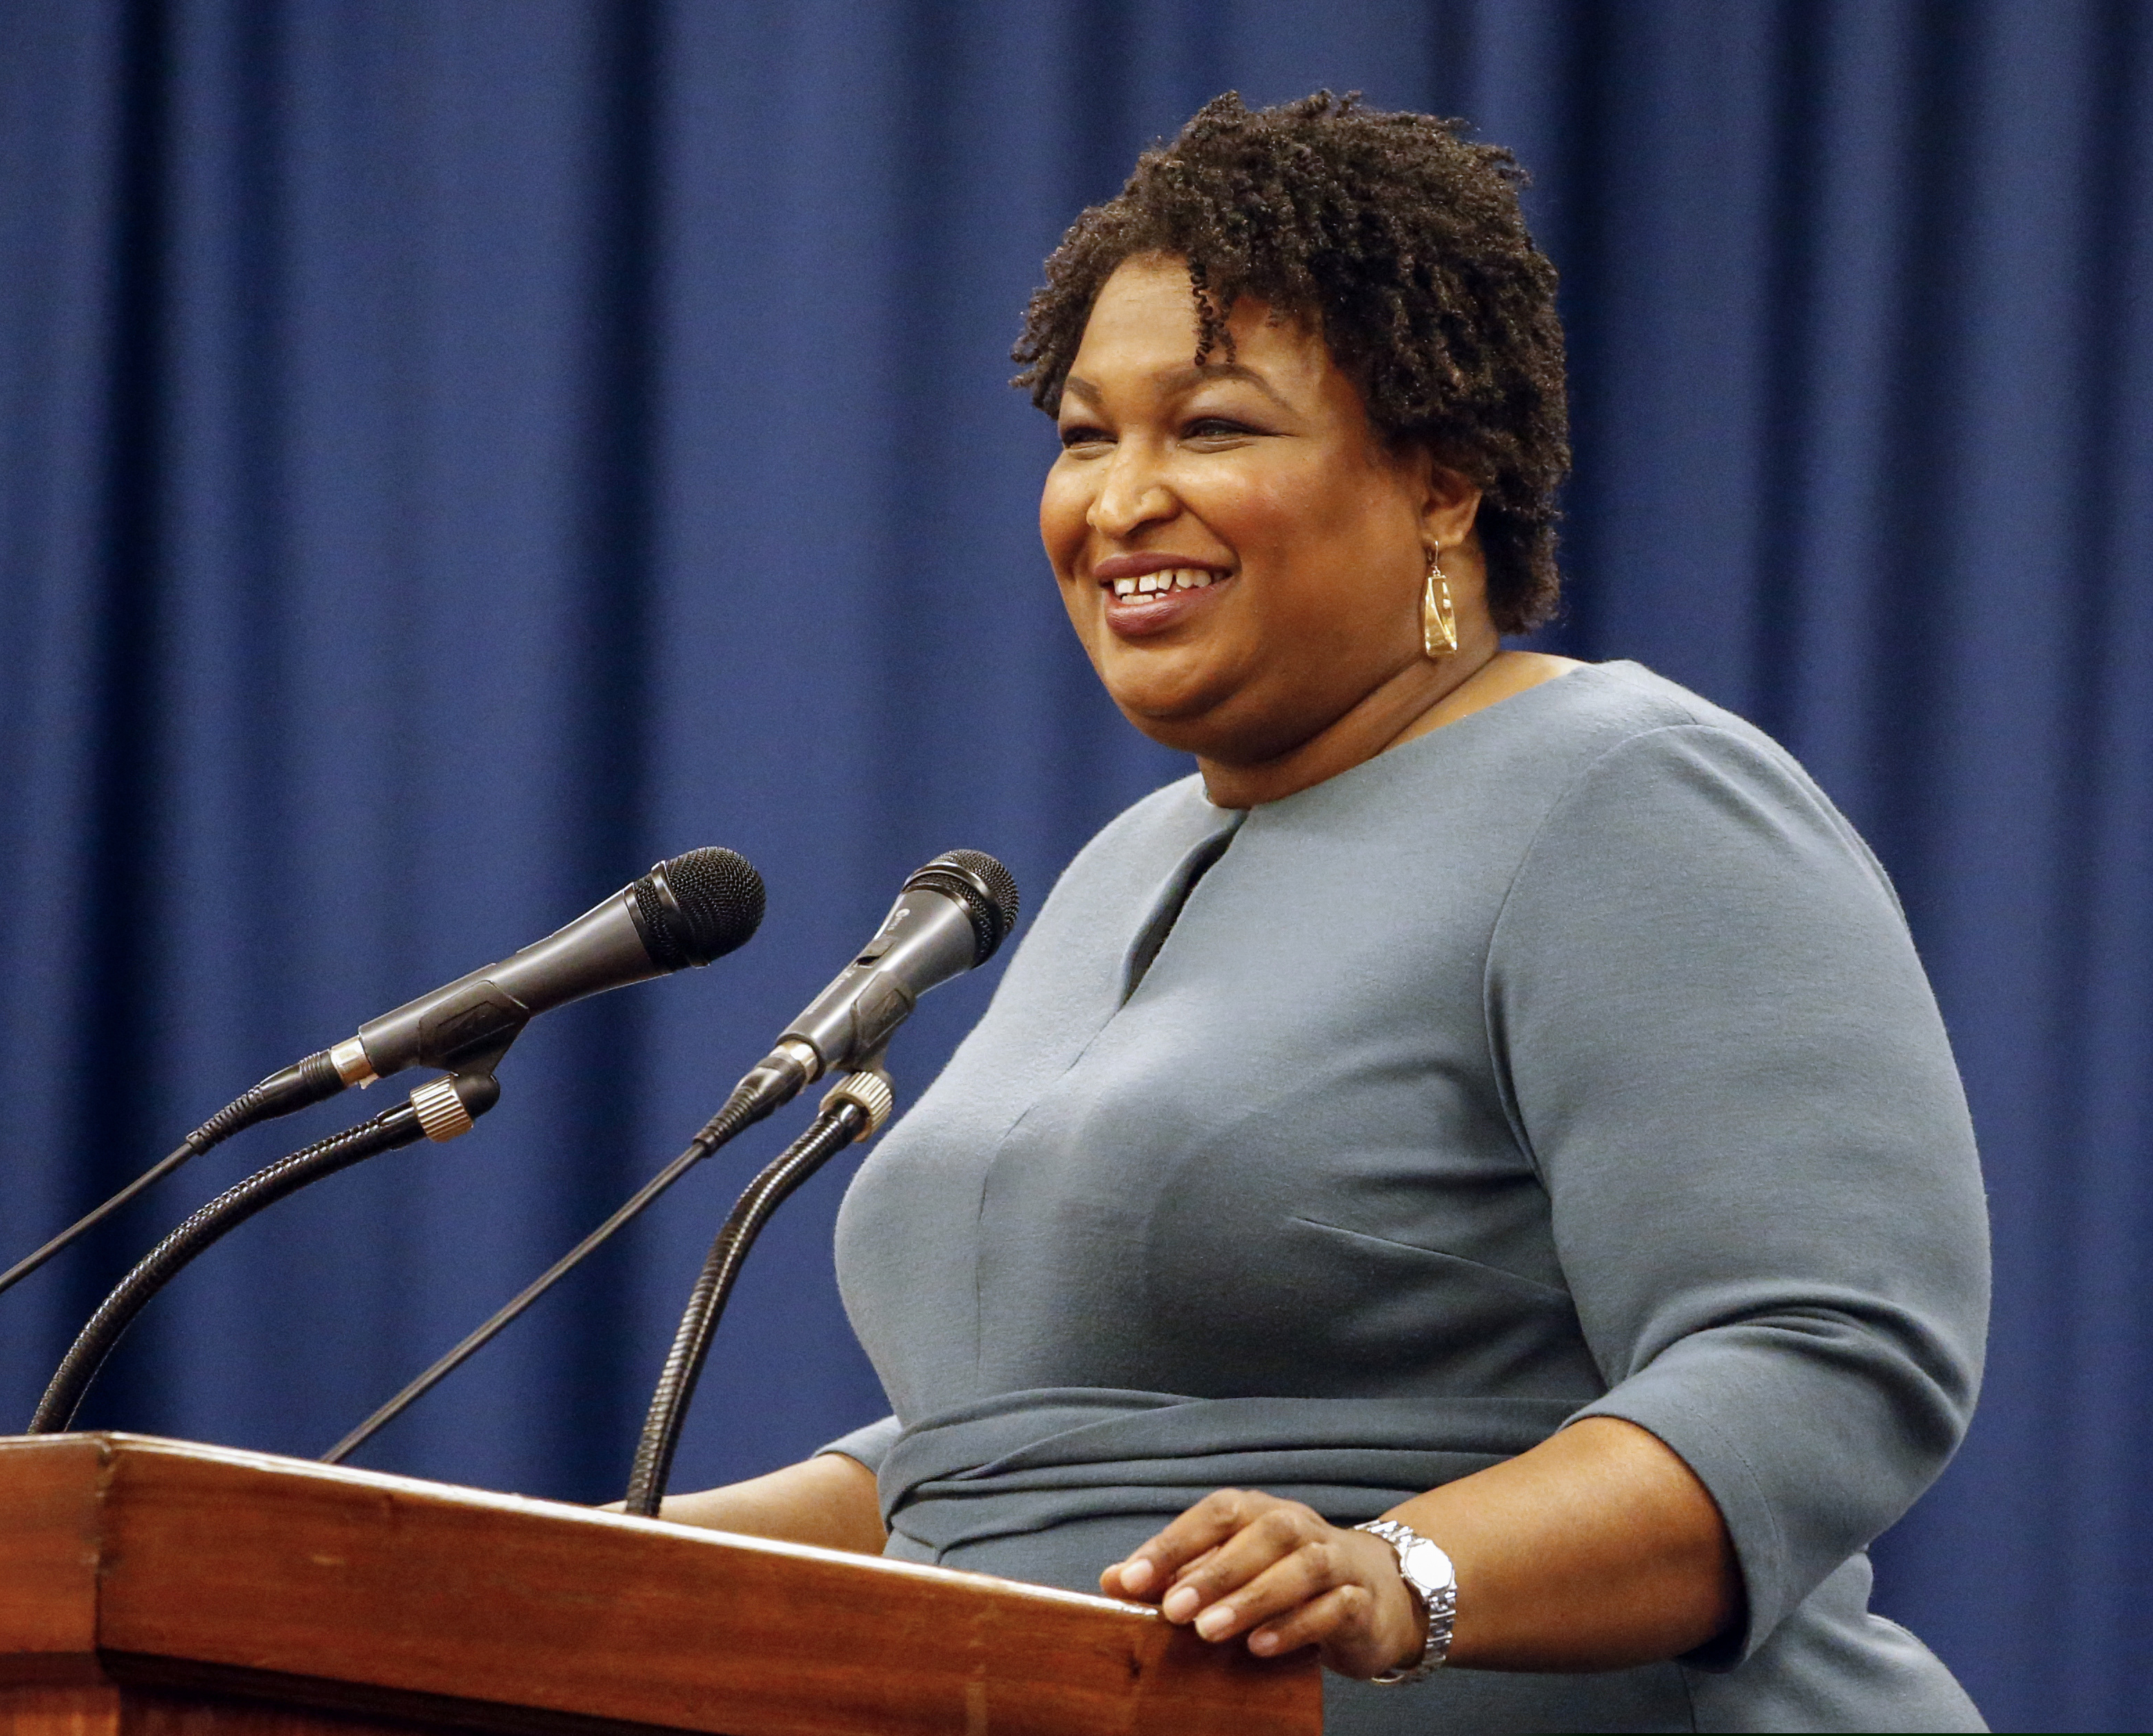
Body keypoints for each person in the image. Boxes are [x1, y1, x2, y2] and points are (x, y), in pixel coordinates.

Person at [651, 92, 1989, 1733]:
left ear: (1442, 483)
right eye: (1085, 438)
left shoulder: (1627, 793)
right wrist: (581, 1562)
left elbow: (1822, 1357)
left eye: (1209, 428)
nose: (1119, 501)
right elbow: (1002, 1473)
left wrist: (1400, 1575)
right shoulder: (1123, 866)